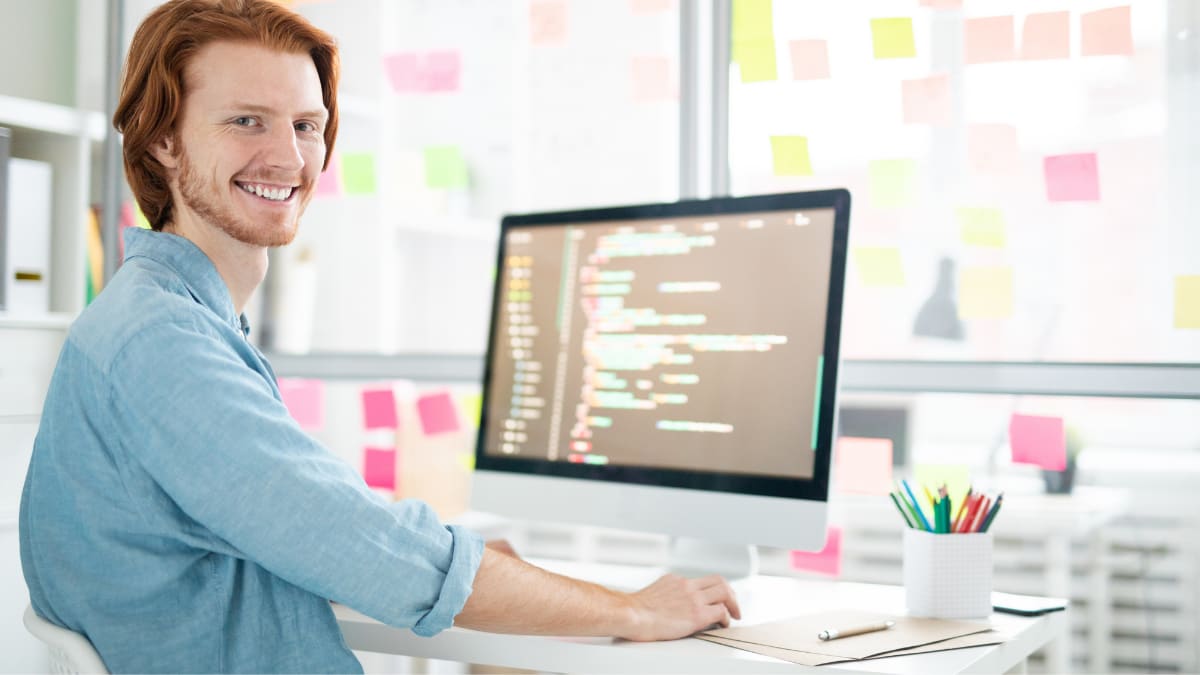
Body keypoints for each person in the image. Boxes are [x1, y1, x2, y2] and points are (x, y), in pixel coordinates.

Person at [18, 0, 739, 672]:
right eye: (247, 121)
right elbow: (373, 552)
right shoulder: (163, 344)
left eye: (305, 124)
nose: (290, 158)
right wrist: (635, 608)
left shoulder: (170, 318)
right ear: (165, 141)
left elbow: (314, 525)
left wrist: (470, 563)